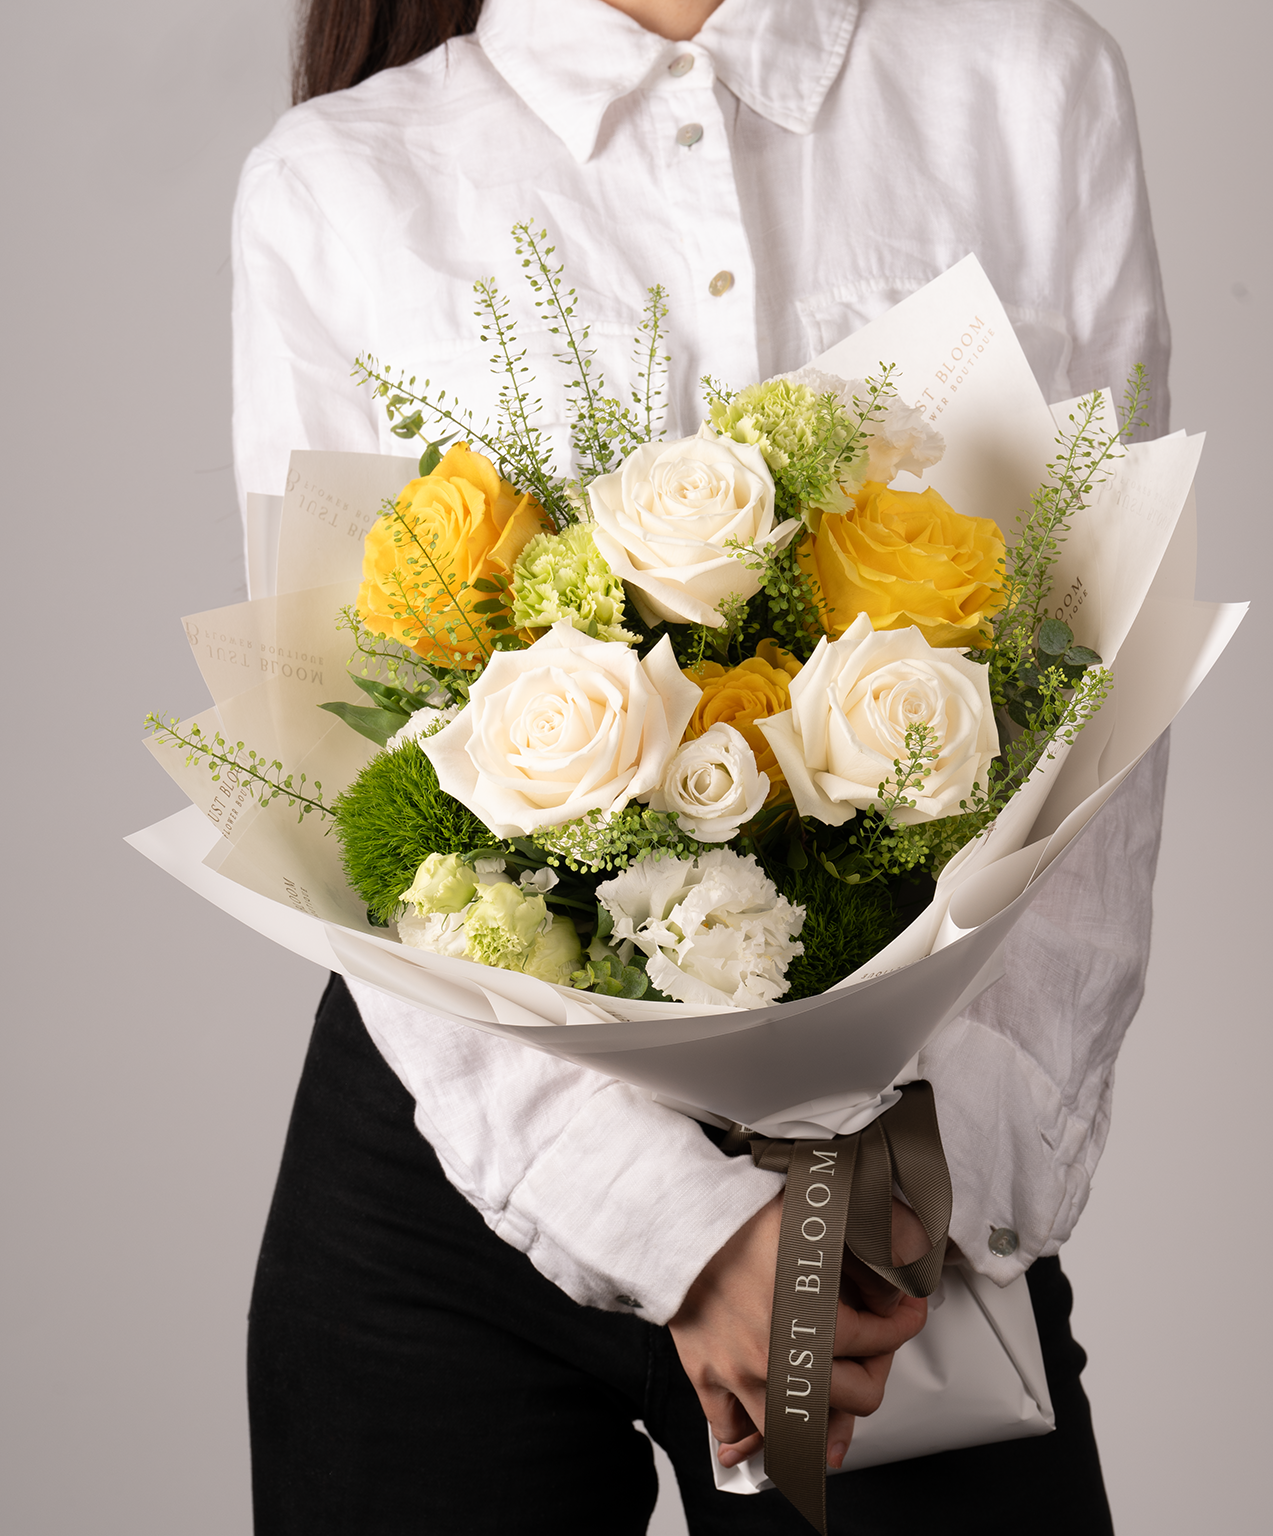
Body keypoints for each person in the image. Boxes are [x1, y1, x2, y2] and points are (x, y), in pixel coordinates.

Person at [232, 0, 1171, 1530]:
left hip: (888, 1186)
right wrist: (679, 1230)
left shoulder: (1022, 85)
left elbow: (1105, 688)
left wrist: (939, 1187)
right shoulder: (339, 178)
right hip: (462, 1158)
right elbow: (353, 785)